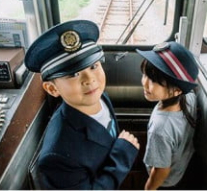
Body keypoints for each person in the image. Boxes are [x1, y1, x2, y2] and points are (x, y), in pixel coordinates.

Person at [24, 20, 140, 189]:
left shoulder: (99, 96)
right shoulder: (58, 156)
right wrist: (121, 157)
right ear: (52, 89)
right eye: (73, 74)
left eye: (93, 66)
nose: (89, 79)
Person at [136, 41, 199, 190]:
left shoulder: (160, 130)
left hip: (165, 183)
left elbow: (161, 171)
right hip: (180, 169)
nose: (144, 83)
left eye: (153, 81)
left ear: (177, 90)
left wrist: (148, 188)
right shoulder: (188, 97)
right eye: (145, 75)